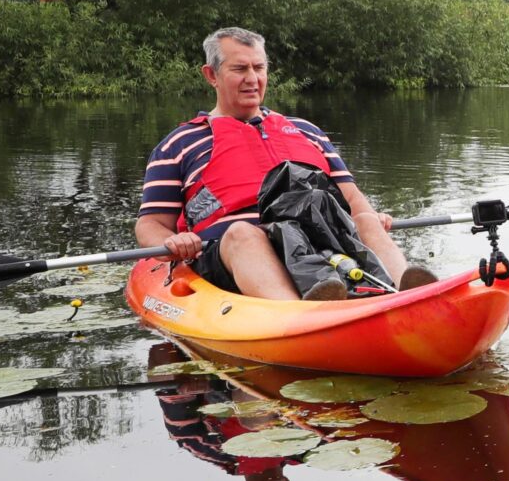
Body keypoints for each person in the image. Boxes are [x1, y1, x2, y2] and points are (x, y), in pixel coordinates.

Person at [136, 27, 430, 301]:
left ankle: (409, 297)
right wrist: (174, 241)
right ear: (211, 75)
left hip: (320, 238)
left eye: (259, 68)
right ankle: (297, 316)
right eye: (240, 69)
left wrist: (371, 218)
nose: (252, 78)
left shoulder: (307, 131)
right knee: (242, 232)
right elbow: (150, 224)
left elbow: (351, 198)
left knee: (365, 220)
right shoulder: (179, 144)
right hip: (238, 252)